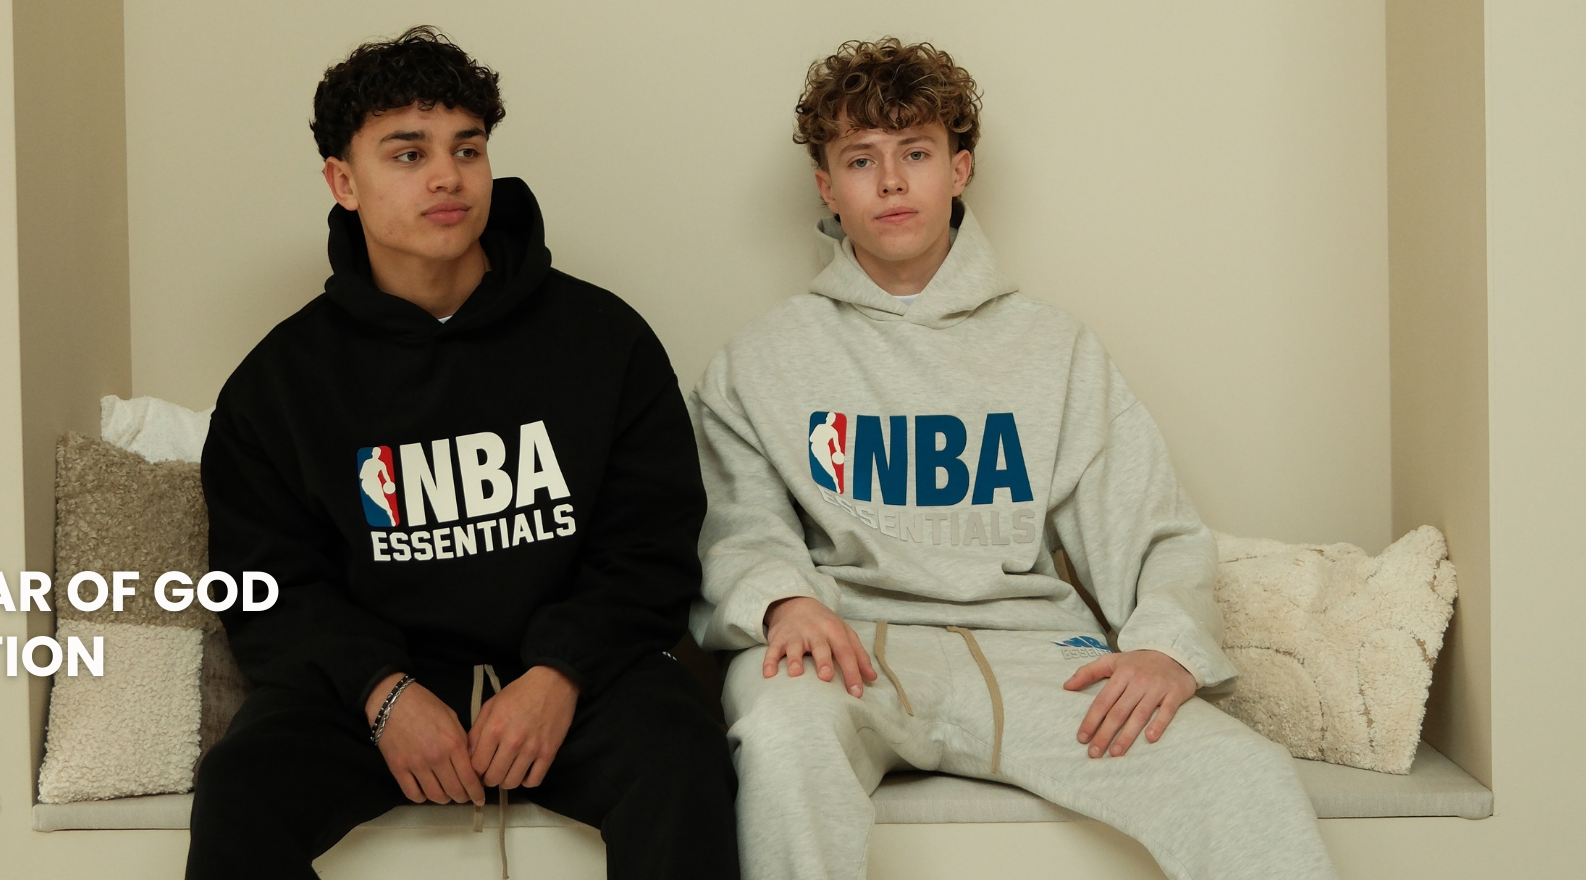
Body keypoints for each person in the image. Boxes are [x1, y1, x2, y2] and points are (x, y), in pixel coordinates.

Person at [689, 37, 1339, 880]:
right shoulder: (759, 361)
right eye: (861, 160)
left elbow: (1150, 525)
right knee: (782, 732)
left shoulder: (1054, 349)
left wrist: (1167, 646)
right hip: (846, 652)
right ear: (827, 187)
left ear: (958, 170)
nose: (891, 183)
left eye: (916, 153)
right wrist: (783, 603)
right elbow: (738, 526)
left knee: (1243, 773)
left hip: (1036, 656)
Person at [190, 26, 737, 880]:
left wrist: (560, 674)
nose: (447, 176)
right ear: (343, 181)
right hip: (379, 698)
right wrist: (382, 694)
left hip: (576, 682)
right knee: (239, 789)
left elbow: (651, 543)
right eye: (408, 153)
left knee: (681, 757)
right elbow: (269, 584)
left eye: (467, 148)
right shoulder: (279, 385)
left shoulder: (603, 341)